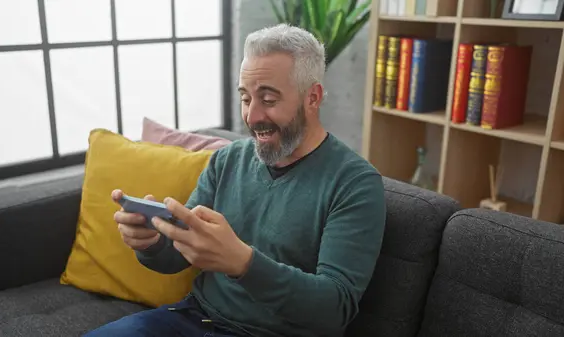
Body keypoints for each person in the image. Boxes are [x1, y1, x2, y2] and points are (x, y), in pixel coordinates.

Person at [85, 23, 386, 337]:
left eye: (268, 100)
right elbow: (177, 255)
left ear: (313, 98)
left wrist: (244, 264)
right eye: (246, 98)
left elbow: (334, 310)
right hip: (195, 318)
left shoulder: (355, 184)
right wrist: (152, 243)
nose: (252, 117)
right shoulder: (227, 160)